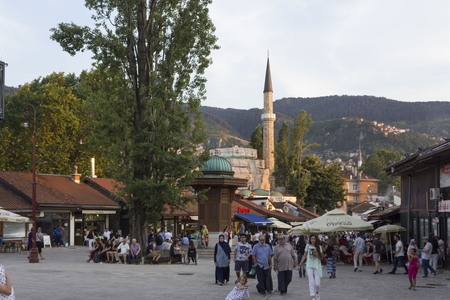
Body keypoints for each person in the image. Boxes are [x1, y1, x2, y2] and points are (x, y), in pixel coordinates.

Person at [299, 234, 323, 300]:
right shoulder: (307, 246)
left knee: (317, 283)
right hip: (309, 265)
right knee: (311, 281)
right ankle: (313, 296)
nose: (313, 240)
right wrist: (300, 264)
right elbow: (304, 255)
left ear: (316, 240)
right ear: (310, 239)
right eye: (312, 239)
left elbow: (321, 257)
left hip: (317, 266)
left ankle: (317, 292)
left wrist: (316, 253)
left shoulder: (319, 247)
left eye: (314, 239)